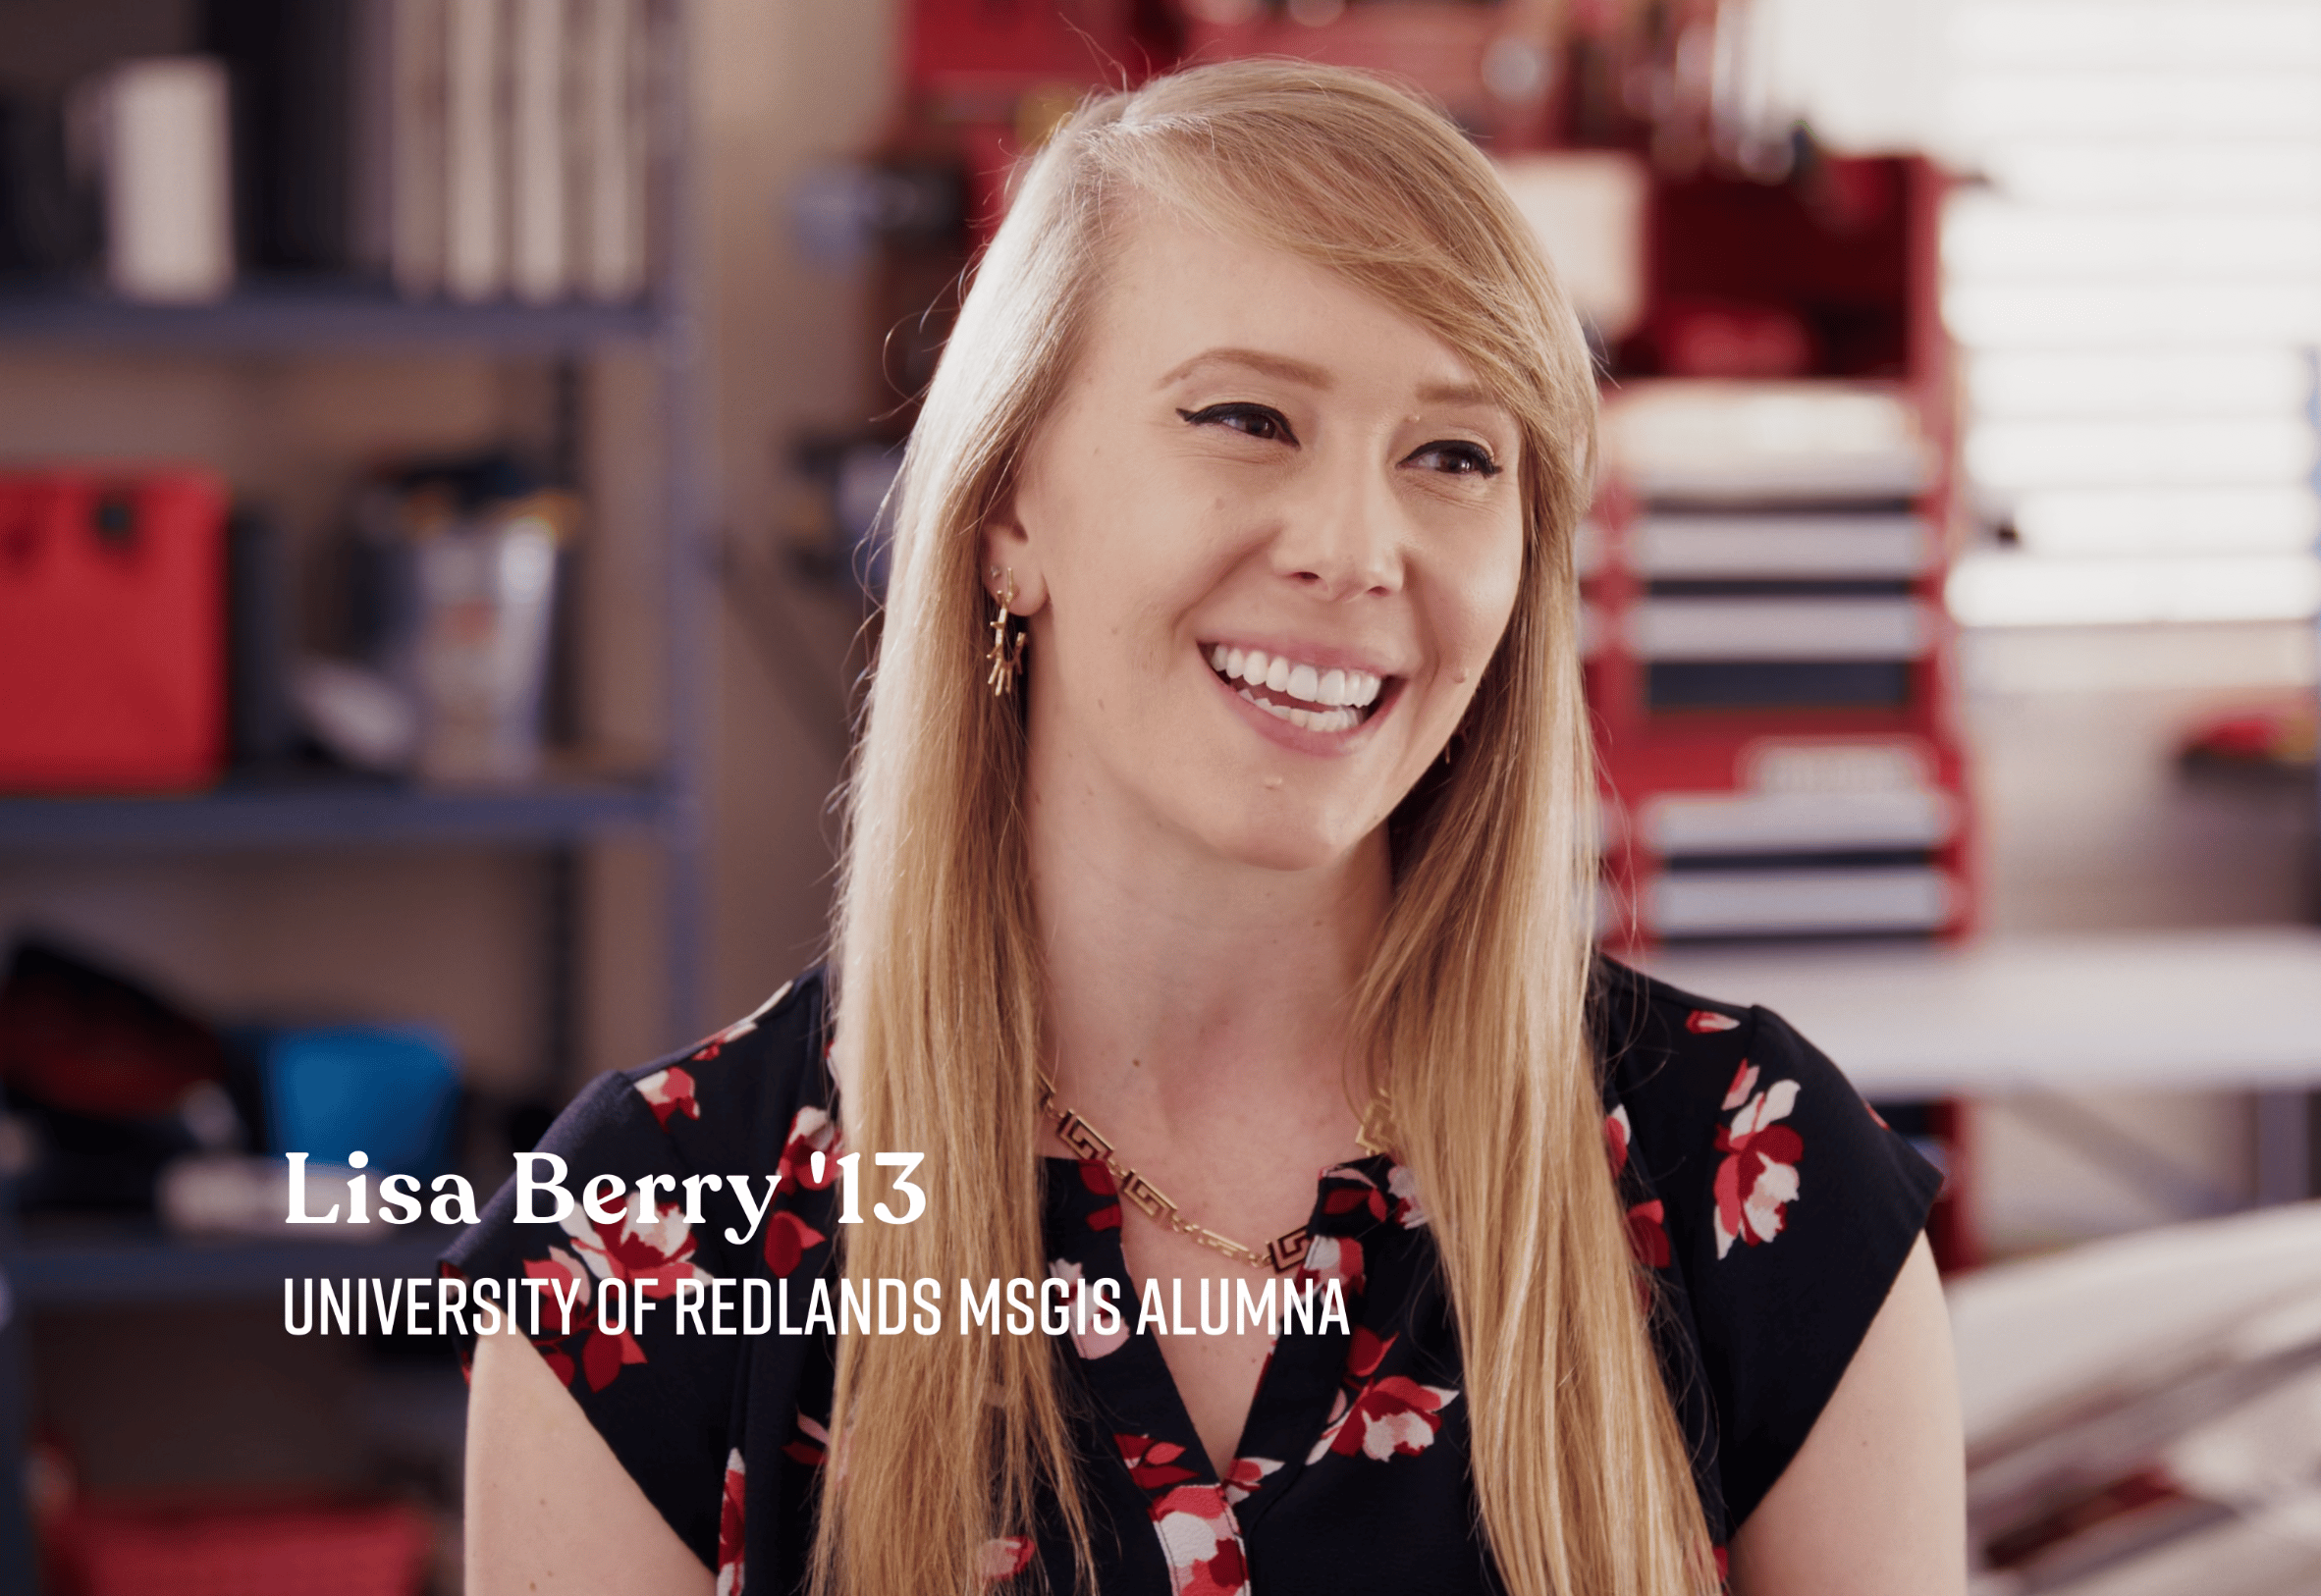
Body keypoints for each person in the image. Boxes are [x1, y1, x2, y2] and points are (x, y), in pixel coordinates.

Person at [453, 59, 1962, 1596]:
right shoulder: (647, 1246)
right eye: (1248, 417)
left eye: (1455, 454)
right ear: (1008, 514)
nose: (1356, 550)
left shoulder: (1763, 1190)